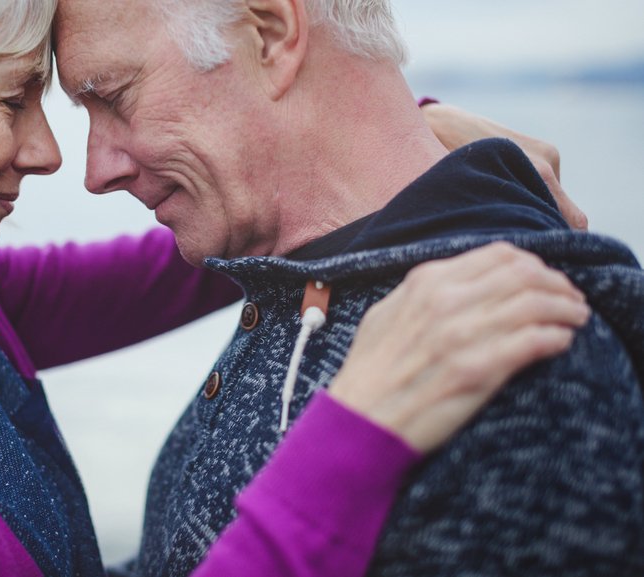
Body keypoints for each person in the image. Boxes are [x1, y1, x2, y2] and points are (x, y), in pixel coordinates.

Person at [0, 1, 589, 577]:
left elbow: (201, 244)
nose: (51, 154)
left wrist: (414, 136)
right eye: (10, 98)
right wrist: (356, 435)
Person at [53, 0, 644, 575]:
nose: (95, 171)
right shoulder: (301, 274)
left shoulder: (507, 353)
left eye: (113, 97)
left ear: (270, 34)